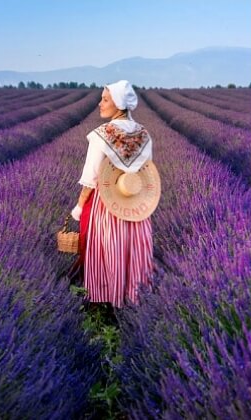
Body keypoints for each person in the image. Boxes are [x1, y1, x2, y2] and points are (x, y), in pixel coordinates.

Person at [70, 79, 155, 310]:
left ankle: (105, 303)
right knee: (132, 249)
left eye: (105, 99)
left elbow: (90, 177)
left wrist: (78, 207)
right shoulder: (144, 134)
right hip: (135, 203)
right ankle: (133, 298)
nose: (100, 103)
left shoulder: (101, 134)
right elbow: (147, 171)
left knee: (107, 249)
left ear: (118, 103)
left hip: (107, 204)